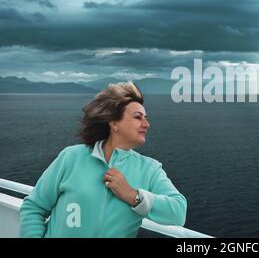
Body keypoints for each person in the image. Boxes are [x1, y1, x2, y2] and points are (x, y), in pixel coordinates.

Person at [20, 82, 187, 237]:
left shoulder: (150, 169)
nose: (146, 124)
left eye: (146, 118)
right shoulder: (71, 157)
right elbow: (34, 207)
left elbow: (178, 212)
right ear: (114, 123)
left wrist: (132, 195)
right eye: (138, 117)